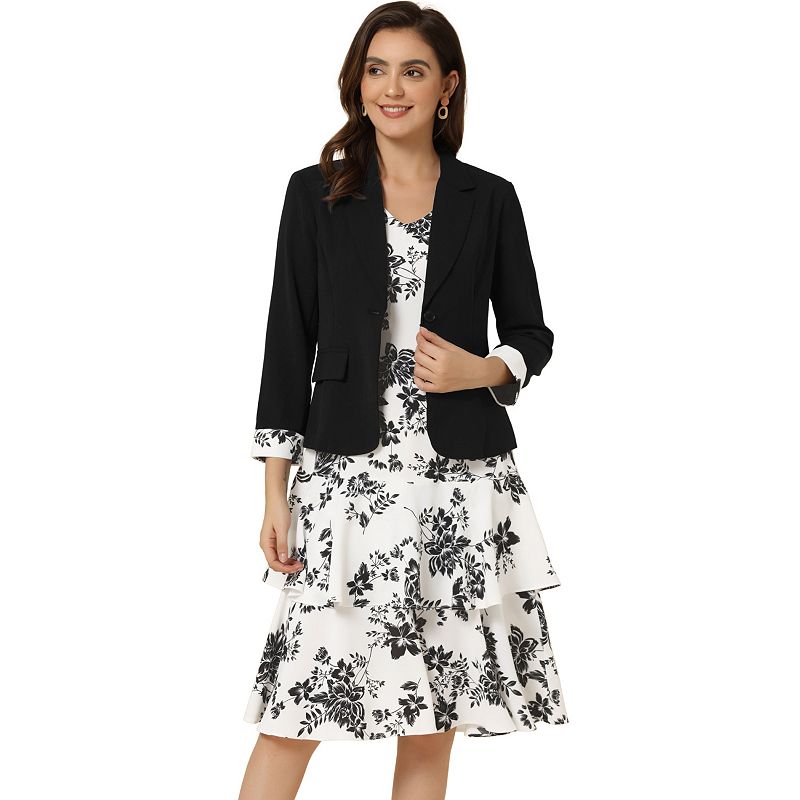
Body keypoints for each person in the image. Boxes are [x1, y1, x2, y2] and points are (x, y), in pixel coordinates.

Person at [238, 4, 568, 799]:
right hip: (347, 482)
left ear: (447, 87)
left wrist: (483, 370)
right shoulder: (316, 193)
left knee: (433, 717)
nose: (392, 88)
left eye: (413, 71)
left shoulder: (489, 198)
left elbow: (532, 332)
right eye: (376, 70)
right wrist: (275, 491)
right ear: (357, 84)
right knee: (295, 710)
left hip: (459, 484)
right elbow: (287, 345)